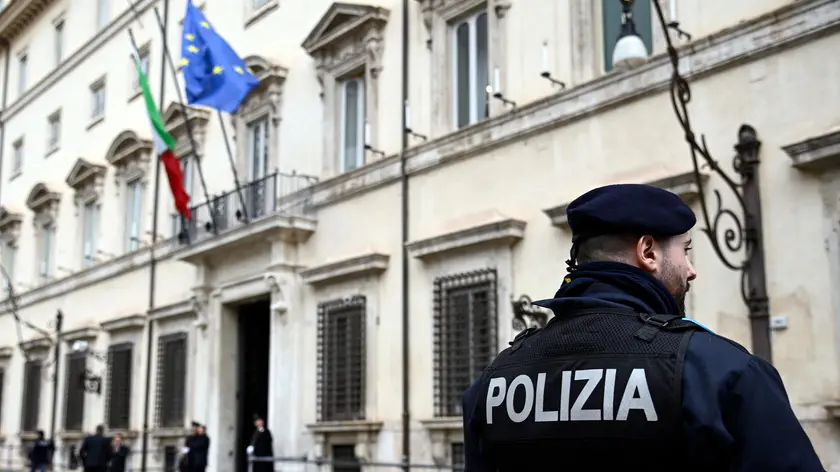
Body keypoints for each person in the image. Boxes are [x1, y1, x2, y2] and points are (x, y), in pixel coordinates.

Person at [461, 184, 826, 471]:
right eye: (685, 251)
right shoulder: (722, 373)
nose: (691, 270)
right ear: (648, 252)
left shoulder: (492, 384)